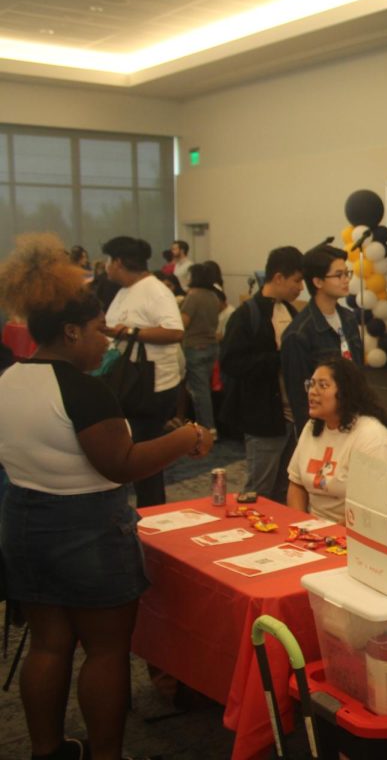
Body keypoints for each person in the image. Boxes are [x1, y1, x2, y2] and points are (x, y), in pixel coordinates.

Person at [0, 233, 213, 760]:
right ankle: (107, 754)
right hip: (88, 530)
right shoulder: (84, 389)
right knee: (106, 649)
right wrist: (187, 438)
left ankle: (47, 750)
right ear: (71, 332)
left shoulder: (9, 380)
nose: (107, 342)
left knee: (49, 645)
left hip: (25, 522)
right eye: (99, 332)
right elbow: (119, 464)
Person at [101, 235, 185, 508]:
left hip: (151, 387)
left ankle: (153, 516)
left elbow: (174, 331)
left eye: (108, 261)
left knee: (145, 458)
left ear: (119, 262)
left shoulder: (155, 290)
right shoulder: (125, 290)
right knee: (133, 454)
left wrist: (131, 332)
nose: (105, 267)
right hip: (129, 381)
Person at [220, 247, 305, 502]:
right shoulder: (247, 315)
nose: (301, 287)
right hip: (264, 418)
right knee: (259, 491)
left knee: (287, 488)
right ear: (278, 278)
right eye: (297, 280)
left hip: (294, 418)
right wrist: (278, 359)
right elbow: (231, 362)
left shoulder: (291, 312)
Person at [287, 356, 387, 523]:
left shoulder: (373, 437)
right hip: (311, 530)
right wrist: (300, 524)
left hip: (354, 533)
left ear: (345, 392)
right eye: (311, 384)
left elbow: (370, 510)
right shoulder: (312, 427)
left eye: (323, 385)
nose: (312, 392)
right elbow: (296, 484)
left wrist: (326, 535)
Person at [281, 243, 363, 438]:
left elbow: (359, 373)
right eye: (338, 275)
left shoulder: (349, 318)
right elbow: (301, 399)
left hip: (353, 417)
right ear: (317, 282)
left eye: (347, 273)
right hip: (323, 428)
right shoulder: (298, 334)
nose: (345, 280)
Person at [179, 261, 223, 435]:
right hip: (212, 347)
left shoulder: (193, 296)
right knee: (206, 389)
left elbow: (183, 323)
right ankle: (210, 425)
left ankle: (208, 429)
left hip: (195, 347)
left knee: (200, 392)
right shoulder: (214, 296)